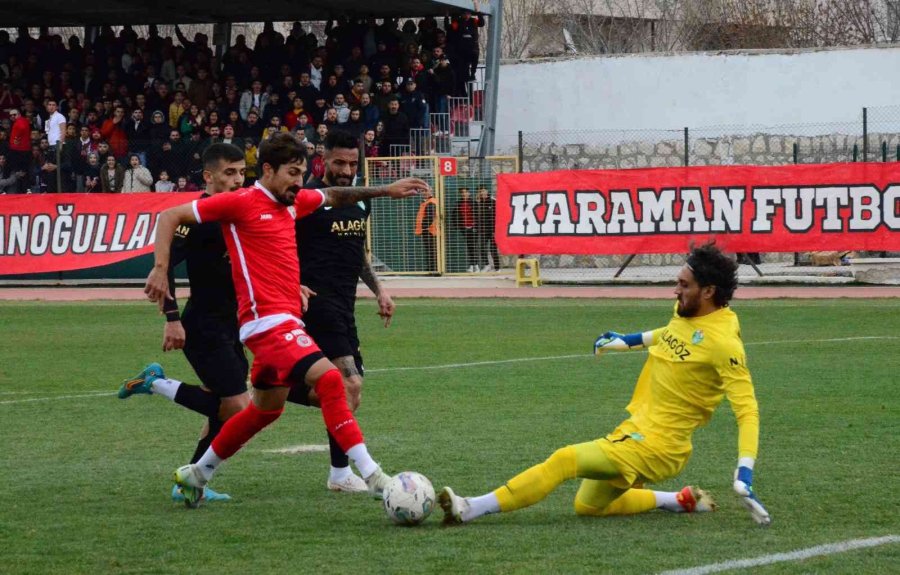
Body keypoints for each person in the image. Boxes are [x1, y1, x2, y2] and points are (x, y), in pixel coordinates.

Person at [142, 133, 429, 507]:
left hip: (284, 319)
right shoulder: (242, 202)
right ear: (267, 170)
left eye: (302, 173)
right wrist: (160, 268)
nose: (299, 181)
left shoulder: (294, 202)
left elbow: (333, 195)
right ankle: (373, 476)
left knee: (263, 410)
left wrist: (385, 191)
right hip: (266, 323)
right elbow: (169, 216)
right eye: (292, 173)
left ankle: (196, 474)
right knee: (332, 380)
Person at [439, 244, 771, 526]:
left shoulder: (724, 344)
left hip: (659, 447)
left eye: (684, 285)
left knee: (564, 459)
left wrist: (744, 472)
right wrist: (628, 340)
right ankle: (679, 500)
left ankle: (470, 507)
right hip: (637, 428)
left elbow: (748, 411)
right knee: (588, 506)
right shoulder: (687, 311)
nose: (676, 290)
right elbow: (673, 333)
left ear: (708, 291)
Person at [119, 144, 249, 504]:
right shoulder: (195, 217)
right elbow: (164, 272)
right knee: (239, 408)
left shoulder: (239, 211)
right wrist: (173, 320)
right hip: (203, 327)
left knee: (223, 410)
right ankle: (156, 383)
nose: (238, 179)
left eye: (242, 172)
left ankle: (191, 483)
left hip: (233, 326)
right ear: (208, 177)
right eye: (229, 173)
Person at [291, 131, 395, 493]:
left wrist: (380, 290)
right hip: (316, 304)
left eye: (353, 163)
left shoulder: (360, 202)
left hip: (345, 306)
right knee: (349, 385)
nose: (347, 170)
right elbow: (279, 246)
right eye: (339, 162)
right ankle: (343, 474)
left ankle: (274, 388)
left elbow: (357, 252)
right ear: (323, 160)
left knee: (347, 394)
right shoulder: (307, 200)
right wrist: (292, 284)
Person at [474, 187, 500, 271]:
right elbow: (476, 217)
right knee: (481, 247)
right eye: (480, 192)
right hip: (482, 230)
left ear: (487, 191)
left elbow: (498, 216)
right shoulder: (478, 203)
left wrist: (496, 230)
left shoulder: (493, 201)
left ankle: (497, 268)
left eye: (483, 191)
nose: (482, 193)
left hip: (492, 230)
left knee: (493, 249)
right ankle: (487, 265)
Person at [453, 187, 478, 272]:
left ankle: (475, 266)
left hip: (474, 228)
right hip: (464, 228)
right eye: (462, 192)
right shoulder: (458, 203)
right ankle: (473, 266)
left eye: (466, 192)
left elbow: (478, 215)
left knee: (473, 246)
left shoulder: (474, 203)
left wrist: (476, 227)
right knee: (470, 246)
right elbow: (455, 215)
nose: (464, 194)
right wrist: (458, 226)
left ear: (469, 193)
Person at [415, 187, 438, 273]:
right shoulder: (427, 202)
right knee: (430, 251)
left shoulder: (431, 202)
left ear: (431, 192)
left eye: (426, 191)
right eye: (422, 191)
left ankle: (433, 269)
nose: (424, 193)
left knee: (431, 251)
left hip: (430, 231)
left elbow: (430, 217)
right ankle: (431, 268)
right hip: (429, 231)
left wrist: (424, 227)